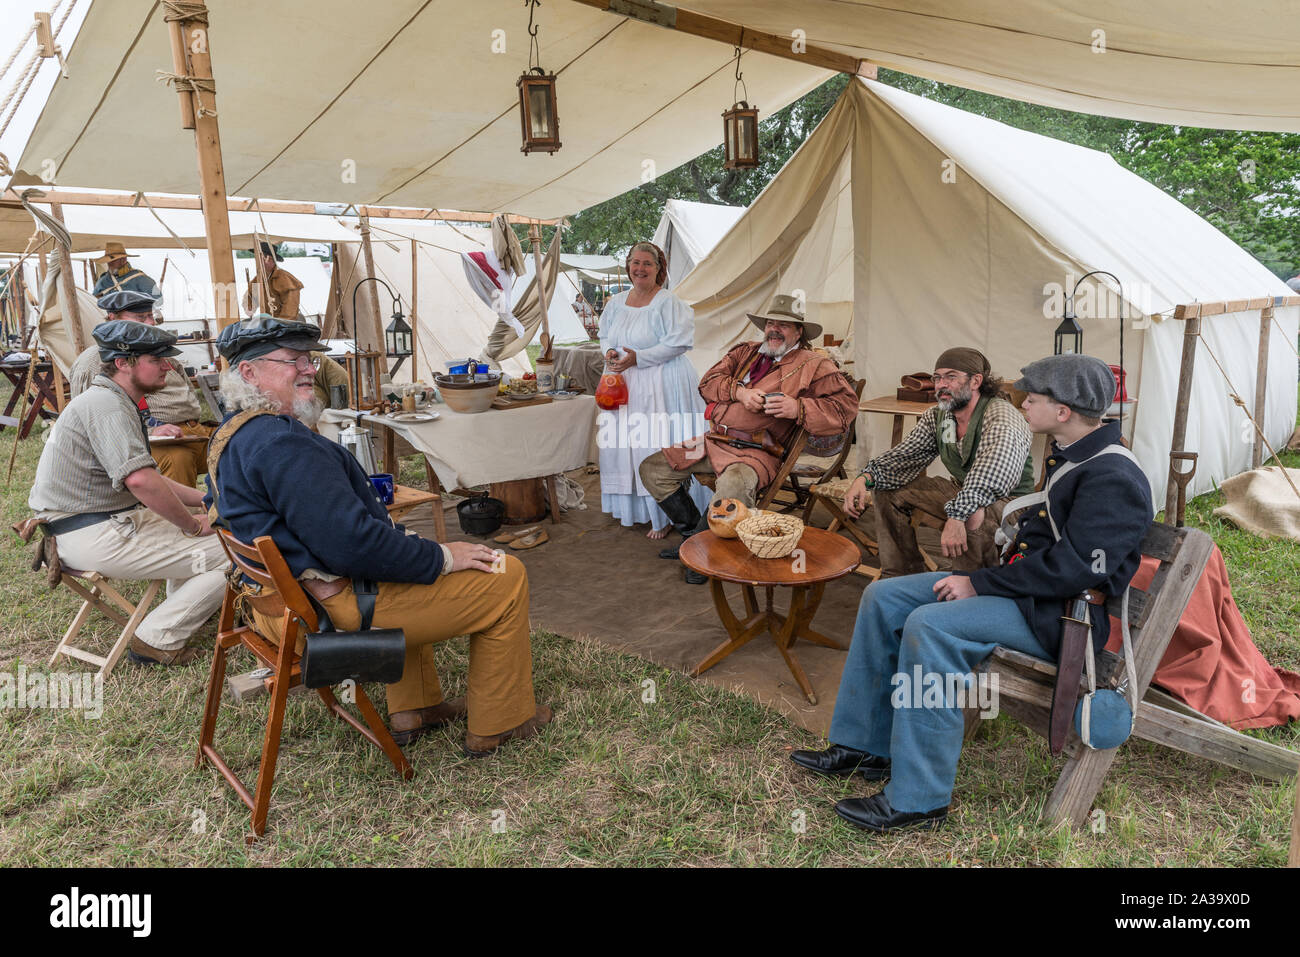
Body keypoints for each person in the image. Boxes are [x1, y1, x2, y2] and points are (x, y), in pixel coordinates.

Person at [790, 353, 1152, 834]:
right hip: (1030, 596)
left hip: (1063, 617)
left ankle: (919, 800)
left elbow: (1073, 571)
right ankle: (865, 746)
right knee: (885, 598)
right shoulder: (1075, 453)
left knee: (930, 626)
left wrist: (978, 581)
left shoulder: (1113, 475)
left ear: (1063, 412)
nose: (1024, 404)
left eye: (1034, 399)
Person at [206, 316, 551, 753]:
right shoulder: (283, 445)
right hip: (328, 613)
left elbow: (218, 511)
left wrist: (410, 548)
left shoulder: (229, 435)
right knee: (506, 573)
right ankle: (501, 723)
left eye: (309, 358)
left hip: (277, 610)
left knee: (402, 558)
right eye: (292, 360)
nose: (309, 369)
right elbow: (353, 547)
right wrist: (442, 557)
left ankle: (416, 709)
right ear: (248, 373)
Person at [28, 320, 227, 666]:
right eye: (157, 359)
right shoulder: (108, 407)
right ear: (123, 363)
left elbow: (148, 478)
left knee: (210, 538)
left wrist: (209, 501)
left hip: (83, 528)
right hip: (93, 534)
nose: (168, 365)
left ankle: (176, 612)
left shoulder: (108, 399)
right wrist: (194, 525)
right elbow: (141, 483)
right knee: (236, 548)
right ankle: (158, 637)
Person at [639, 293, 859, 583]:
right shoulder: (746, 353)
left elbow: (846, 407)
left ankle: (708, 555)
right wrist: (740, 393)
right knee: (653, 469)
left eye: (784, 324)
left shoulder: (813, 365)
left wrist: (798, 407)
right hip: (714, 441)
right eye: (770, 322)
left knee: (732, 486)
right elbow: (707, 383)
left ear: (799, 332)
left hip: (756, 452)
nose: (774, 329)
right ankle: (695, 536)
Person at [842, 347, 1035, 577]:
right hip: (965, 492)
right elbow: (907, 456)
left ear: (975, 381)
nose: (941, 384)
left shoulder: (1001, 416)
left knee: (973, 513)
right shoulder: (939, 416)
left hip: (1012, 504)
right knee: (887, 488)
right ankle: (901, 576)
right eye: (937, 377)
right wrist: (866, 478)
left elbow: (991, 477)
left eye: (951, 377)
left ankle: (971, 586)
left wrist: (957, 516)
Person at [598, 241, 711, 538]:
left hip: (662, 380)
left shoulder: (668, 302)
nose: (640, 268)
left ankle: (669, 514)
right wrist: (610, 352)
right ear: (628, 267)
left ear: (659, 268)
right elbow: (605, 335)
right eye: (635, 262)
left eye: (647, 263)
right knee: (628, 444)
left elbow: (680, 342)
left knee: (657, 441)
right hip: (625, 381)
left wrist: (640, 357)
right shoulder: (616, 302)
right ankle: (638, 510)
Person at [69, 290, 215, 488]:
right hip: (155, 438)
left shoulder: (164, 356)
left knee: (240, 443)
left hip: (193, 431)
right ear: (112, 318)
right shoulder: (95, 359)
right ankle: (187, 518)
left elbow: (189, 393)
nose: (150, 322)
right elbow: (91, 420)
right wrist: (151, 430)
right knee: (176, 459)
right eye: (140, 317)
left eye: (150, 316)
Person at [242, 242, 304, 319]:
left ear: (268, 258)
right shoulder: (258, 279)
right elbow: (250, 298)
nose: (256, 261)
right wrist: (249, 307)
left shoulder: (284, 279)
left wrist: (277, 325)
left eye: (258, 257)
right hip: (269, 323)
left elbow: (290, 312)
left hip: (287, 326)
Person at [92, 242, 162, 307]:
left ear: (123, 259)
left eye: (113, 260)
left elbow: (159, 300)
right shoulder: (103, 281)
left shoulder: (141, 278)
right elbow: (93, 301)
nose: (110, 263)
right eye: (108, 261)